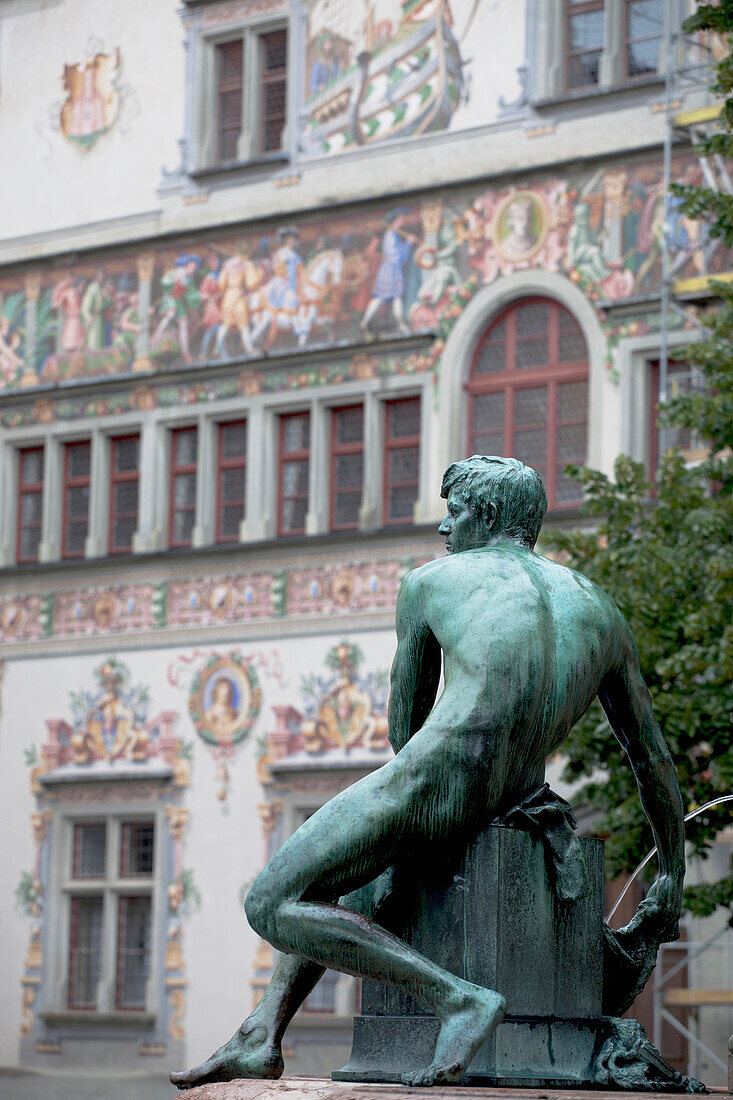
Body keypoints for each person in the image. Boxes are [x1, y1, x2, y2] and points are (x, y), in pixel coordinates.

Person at [172, 455, 684, 1091]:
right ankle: (262, 1034)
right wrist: (671, 867)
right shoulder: (600, 608)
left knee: (272, 900)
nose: (445, 529)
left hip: (439, 775)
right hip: (520, 791)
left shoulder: (430, 582)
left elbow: (404, 731)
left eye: (455, 511)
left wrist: (419, 810)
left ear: (485, 515)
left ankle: (457, 999)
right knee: (356, 867)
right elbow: (652, 757)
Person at [360, 208, 417, 334]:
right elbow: (395, 256)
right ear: (394, 221)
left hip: (393, 270)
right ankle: (365, 321)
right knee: (381, 297)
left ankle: (400, 323)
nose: (402, 222)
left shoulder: (394, 234)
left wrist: (407, 244)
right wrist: (408, 243)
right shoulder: (390, 235)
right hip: (389, 270)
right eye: (400, 219)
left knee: (396, 297)